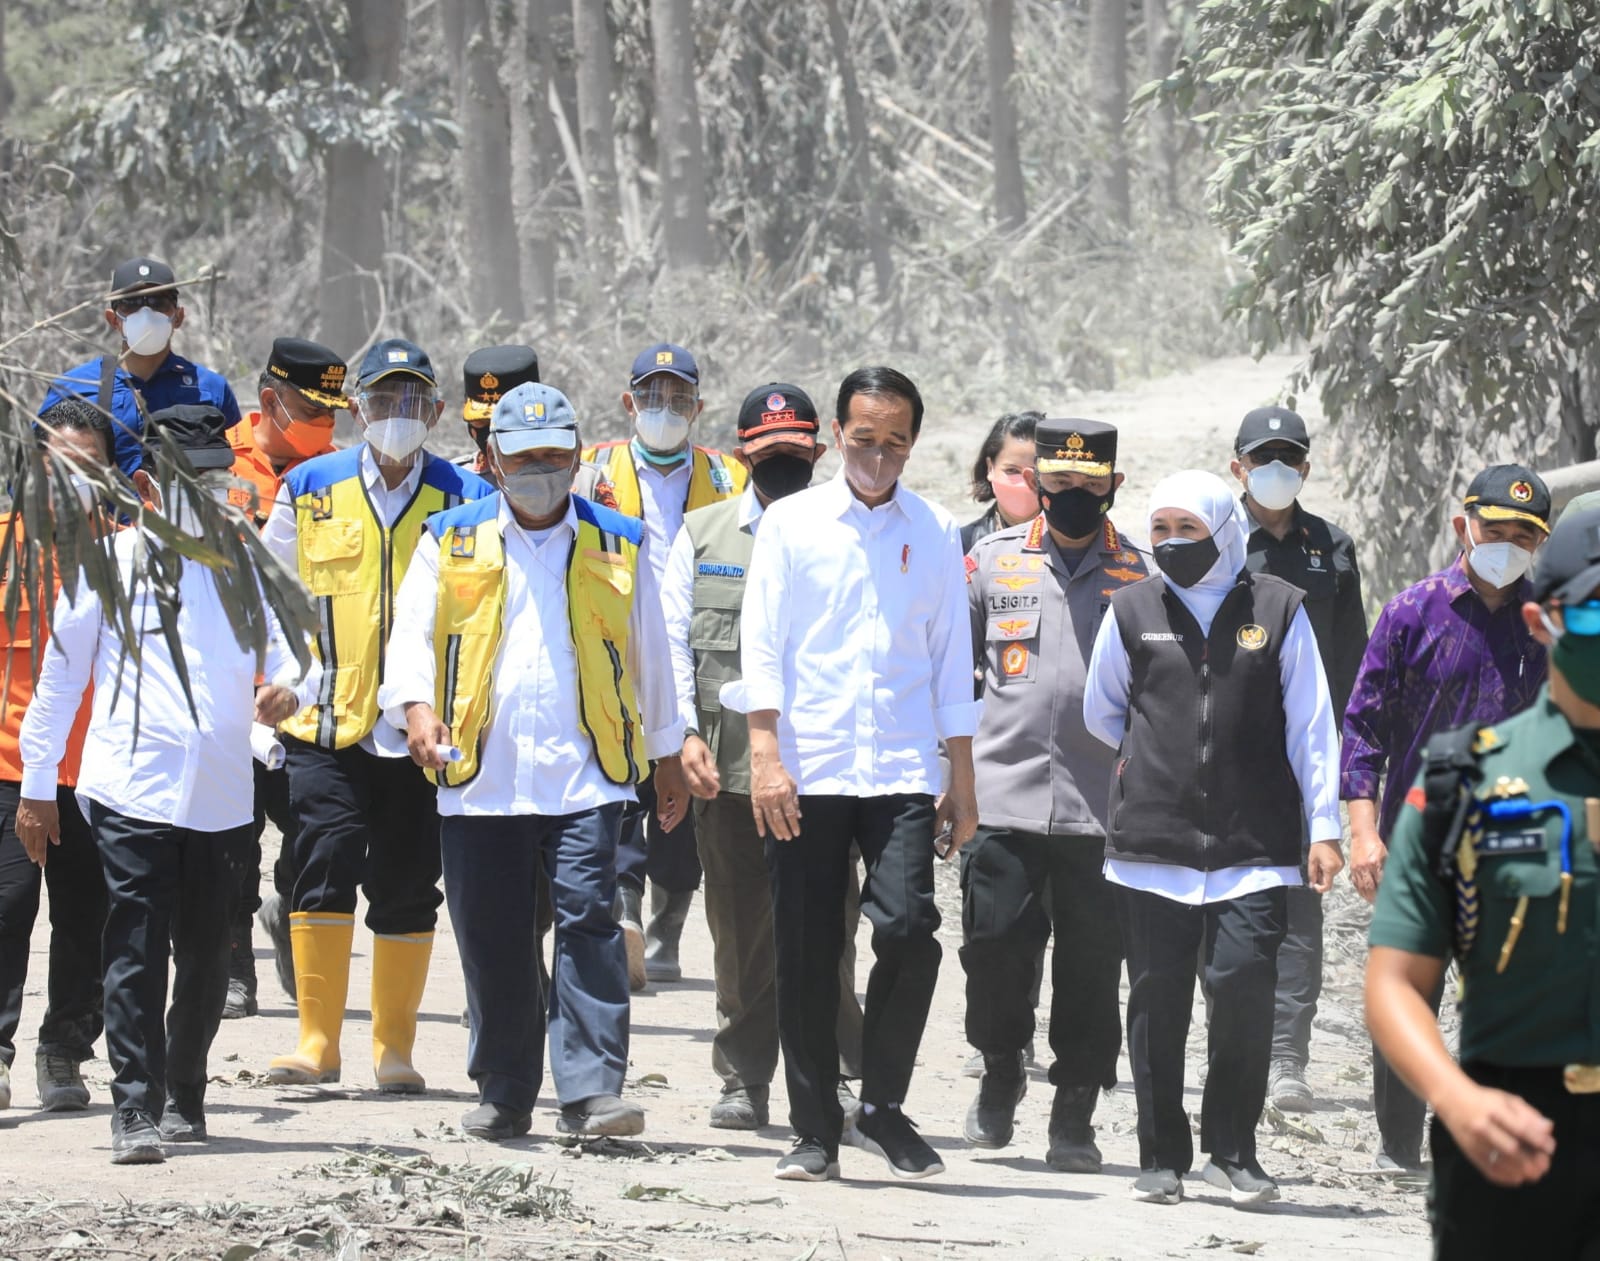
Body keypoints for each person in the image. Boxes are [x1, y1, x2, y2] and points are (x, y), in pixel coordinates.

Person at [380, 382, 689, 1141]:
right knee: (493, 936)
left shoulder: (619, 539)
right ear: (491, 460)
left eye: (555, 456)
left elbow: (652, 655)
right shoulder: (449, 539)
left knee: (589, 920)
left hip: (587, 775)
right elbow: (409, 641)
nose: (541, 471)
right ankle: (507, 1088)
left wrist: (670, 755)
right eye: (524, 458)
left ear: (579, 454)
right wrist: (415, 711)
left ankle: (590, 1091)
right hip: (481, 776)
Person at [18, 404, 309, 1162]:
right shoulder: (106, 566)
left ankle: (185, 1089)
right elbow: (57, 685)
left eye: (215, 479)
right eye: (191, 480)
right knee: (136, 947)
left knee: (209, 954)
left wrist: (287, 688)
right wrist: (38, 784)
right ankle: (135, 1106)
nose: (207, 494)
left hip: (220, 797)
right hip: (129, 792)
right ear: (147, 485)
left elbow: (299, 654)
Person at [723, 365, 979, 1183]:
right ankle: (814, 1129)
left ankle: (882, 1105)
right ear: (839, 436)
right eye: (864, 440)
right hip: (809, 765)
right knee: (807, 945)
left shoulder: (935, 528)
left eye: (894, 442)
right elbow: (760, 646)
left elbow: (950, 658)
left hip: (902, 764)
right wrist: (765, 757)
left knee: (909, 929)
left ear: (912, 442)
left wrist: (961, 775)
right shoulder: (792, 524)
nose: (877, 456)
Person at [1083, 470, 1344, 1207]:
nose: (1170, 543)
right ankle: (1161, 1152)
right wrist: (1153, 768)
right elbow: (1103, 712)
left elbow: (1312, 728)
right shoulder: (1131, 607)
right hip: (1152, 848)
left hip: (1252, 849)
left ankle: (1233, 1150)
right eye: (1159, 529)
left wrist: (1321, 826)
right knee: (1156, 1003)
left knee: (1242, 997)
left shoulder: (1280, 608)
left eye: (1187, 529)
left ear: (1224, 529)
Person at [1366, 504, 1600, 1259]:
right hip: (1506, 1138)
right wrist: (1455, 1099)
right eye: (1594, 614)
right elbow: (1396, 980)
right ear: (1541, 622)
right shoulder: (1463, 784)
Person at [260, 337, 493, 1092]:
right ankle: (316, 1041)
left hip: (419, 729)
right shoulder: (308, 486)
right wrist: (283, 682)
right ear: (356, 407)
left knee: (407, 881)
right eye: (383, 400)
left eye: (411, 401)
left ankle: (394, 1049)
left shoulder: (463, 497)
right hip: (324, 719)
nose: (396, 415)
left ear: (434, 412)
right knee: (322, 861)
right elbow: (271, 594)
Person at [663, 382, 867, 1131]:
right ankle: (745, 1077)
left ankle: (843, 1074)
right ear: (741, 452)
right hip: (728, 769)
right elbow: (674, 646)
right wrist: (682, 736)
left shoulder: (852, 532)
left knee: (831, 928)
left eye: (793, 453)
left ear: (817, 451)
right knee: (740, 928)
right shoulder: (703, 535)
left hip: (822, 772)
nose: (782, 464)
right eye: (767, 453)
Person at [1343, 464, 1552, 1170]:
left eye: (1524, 535)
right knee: (1410, 993)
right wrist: (1363, 830)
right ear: (1463, 525)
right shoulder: (1413, 611)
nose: (1508, 543)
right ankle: (1400, 1146)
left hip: (1516, 839)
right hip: (1417, 839)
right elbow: (1364, 729)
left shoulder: (1546, 625)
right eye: (1496, 529)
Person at [961, 418, 1146, 1171]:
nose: (1074, 495)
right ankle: (1000, 1068)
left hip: (1100, 811)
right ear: (1036, 481)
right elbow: (951, 681)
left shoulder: (1142, 577)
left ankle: (1076, 1112)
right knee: (993, 953)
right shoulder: (989, 563)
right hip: (1002, 799)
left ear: (1113, 485)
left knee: (1091, 972)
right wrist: (955, 784)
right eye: (1060, 482)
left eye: (1089, 483)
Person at [582, 343, 747, 990]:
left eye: (679, 397)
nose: (665, 408)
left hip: (697, 651)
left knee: (683, 798)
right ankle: (624, 909)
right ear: (629, 402)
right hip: (614, 649)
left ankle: (667, 926)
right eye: (652, 395)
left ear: (699, 408)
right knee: (623, 786)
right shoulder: (592, 468)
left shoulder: (729, 475)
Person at [1229, 406, 1370, 1111]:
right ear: (1238, 467)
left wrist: (1350, 772)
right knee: (1227, 902)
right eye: (1263, 458)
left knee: (1300, 907)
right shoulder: (1217, 544)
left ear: (1306, 469)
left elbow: (1352, 664)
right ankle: (1237, 1040)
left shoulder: (1333, 547)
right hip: (1231, 752)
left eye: (1289, 458)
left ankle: (1288, 1056)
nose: (1276, 470)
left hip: (1307, 752)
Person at [223, 337, 345, 1019]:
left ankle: (292, 917)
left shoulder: (336, 474)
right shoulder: (218, 459)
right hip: (232, 681)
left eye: (333, 412)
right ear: (271, 401)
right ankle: (234, 967)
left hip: (304, 687)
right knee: (232, 837)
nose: (325, 425)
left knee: (313, 831)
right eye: (311, 409)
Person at [0, 398, 115, 1113]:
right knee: (7, 902)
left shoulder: (126, 554)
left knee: (88, 914)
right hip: (9, 762)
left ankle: (64, 1050)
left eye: (90, 466)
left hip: (98, 771)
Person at [39, 257, 241, 477]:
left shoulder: (212, 388)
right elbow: (34, 470)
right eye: (131, 303)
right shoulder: (74, 387)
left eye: (158, 302)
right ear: (113, 320)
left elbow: (240, 466)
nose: (145, 313)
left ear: (178, 317)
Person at [460, 345, 617, 508]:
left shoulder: (583, 479)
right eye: (482, 423)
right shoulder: (454, 480)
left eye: (507, 428)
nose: (491, 433)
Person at [960, 411, 1040, 553]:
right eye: (1012, 471)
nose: (1024, 483)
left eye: (1034, 473)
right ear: (991, 468)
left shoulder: (1075, 542)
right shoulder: (964, 544)